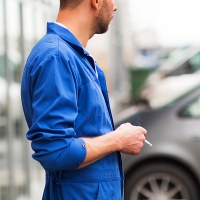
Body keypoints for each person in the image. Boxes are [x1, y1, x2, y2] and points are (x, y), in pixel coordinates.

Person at [21, 0, 147, 199]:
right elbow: (56, 151)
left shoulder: (72, 56)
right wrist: (119, 139)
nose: (115, 6)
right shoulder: (57, 57)